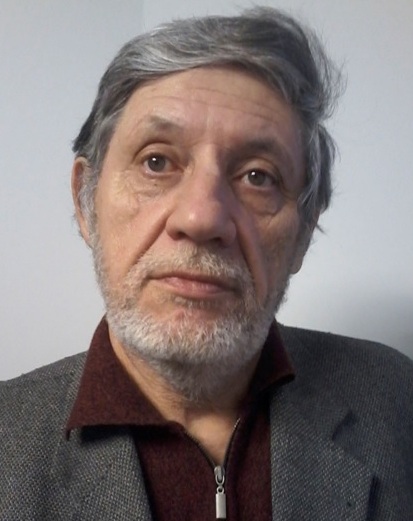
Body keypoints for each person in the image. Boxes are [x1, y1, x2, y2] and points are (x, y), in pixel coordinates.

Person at [1, 6, 412, 520]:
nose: (202, 217)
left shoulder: (398, 399)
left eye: (258, 176)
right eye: (156, 162)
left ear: (304, 233)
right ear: (86, 202)